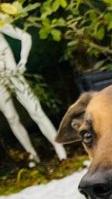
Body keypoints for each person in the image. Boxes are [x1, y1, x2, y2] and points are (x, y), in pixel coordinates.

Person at [0, 21, 66, 162]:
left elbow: (25, 36)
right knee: (11, 117)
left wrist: (23, 60)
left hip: (13, 74)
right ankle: (32, 155)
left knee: (35, 110)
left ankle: (59, 148)